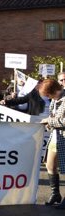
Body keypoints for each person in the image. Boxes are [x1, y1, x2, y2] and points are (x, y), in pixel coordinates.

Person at [40, 76, 65, 207]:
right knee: (50, 166)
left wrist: (49, 121)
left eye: (48, 94)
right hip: (56, 136)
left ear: (55, 90)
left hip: (64, 137)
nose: (48, 97)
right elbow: (53, 117)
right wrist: (49, 123)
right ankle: (55, 194)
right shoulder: (55, 100)